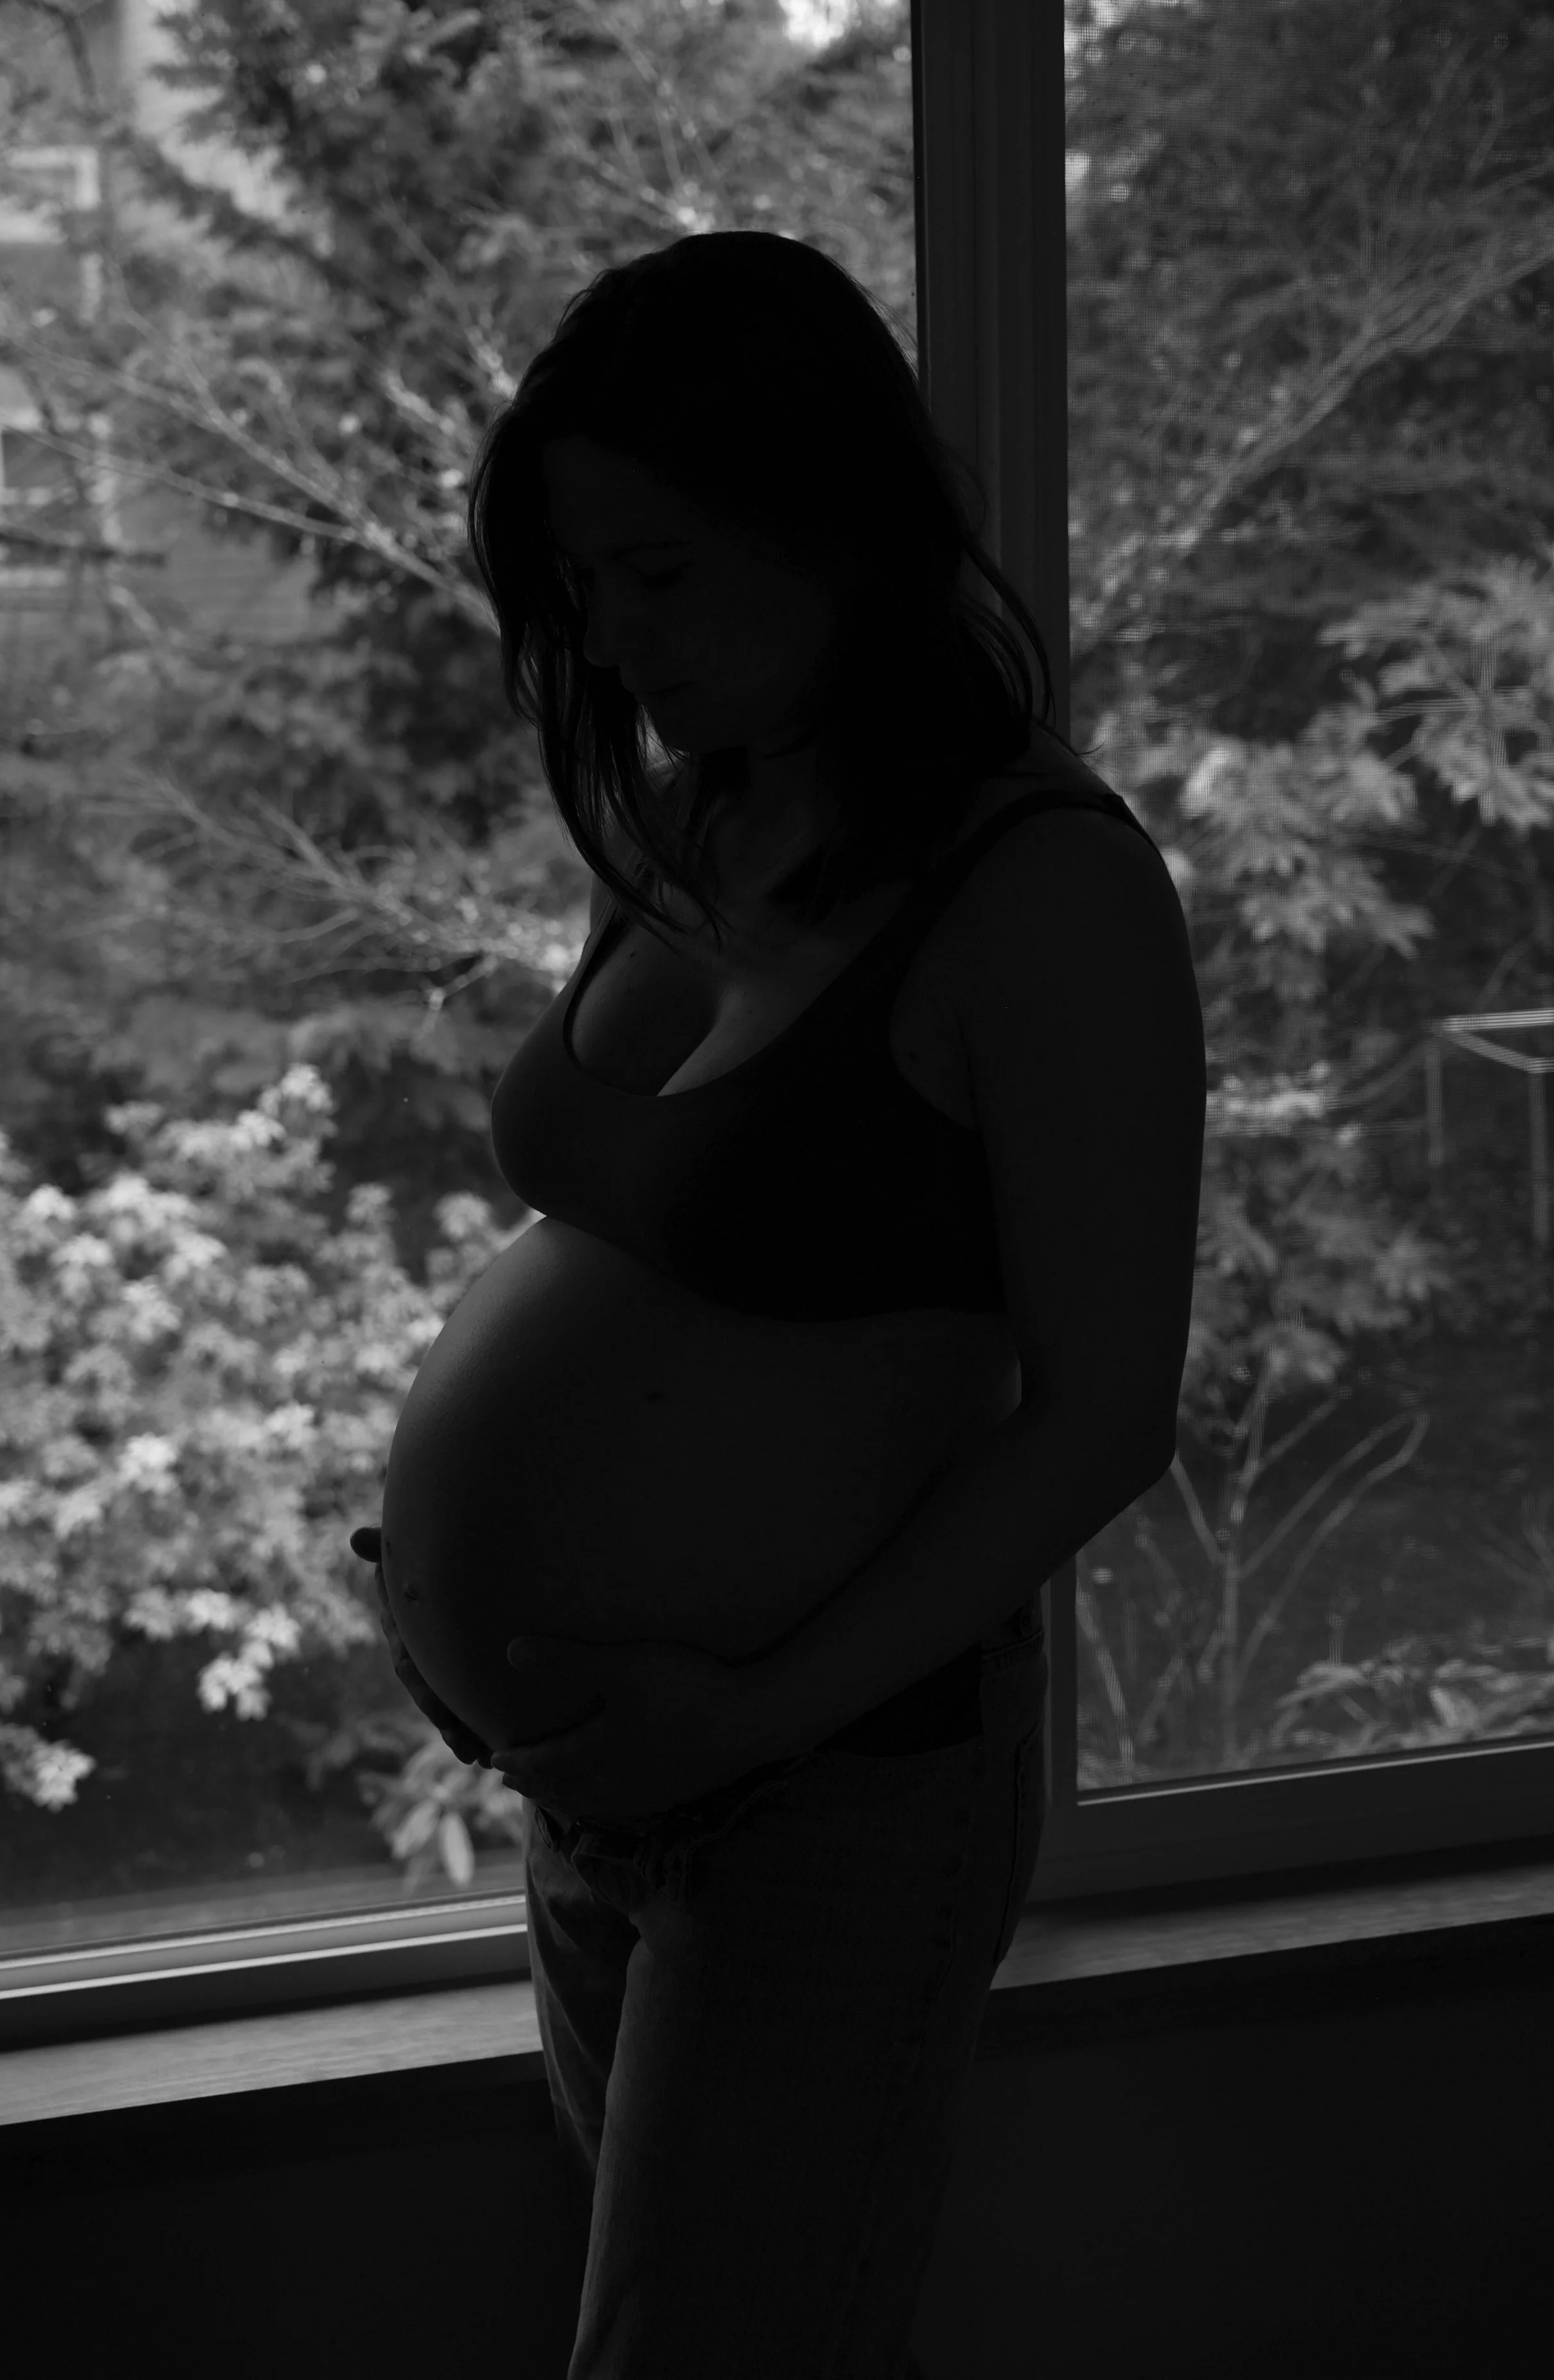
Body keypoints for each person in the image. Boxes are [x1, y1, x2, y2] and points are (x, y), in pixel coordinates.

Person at [353, 230, 1205, 2379]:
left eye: (659, 573)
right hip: (605, 1781)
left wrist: (743, 1709)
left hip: (827, 1793)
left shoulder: (1048, 895)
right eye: (581, 586)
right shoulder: (694, 810)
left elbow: (1100, 1417)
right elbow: (639, 1255)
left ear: (831, 529)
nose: (611, 639)